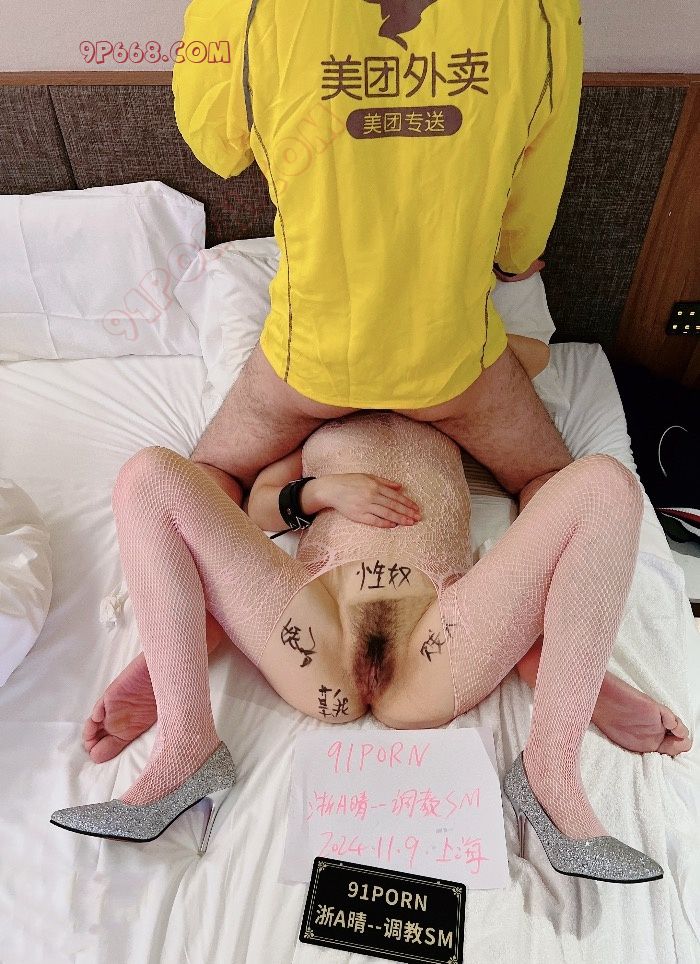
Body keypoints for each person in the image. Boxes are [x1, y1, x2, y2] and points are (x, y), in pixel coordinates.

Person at [50, 406, 690, 881]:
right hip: (319, 628)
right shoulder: (309, 416)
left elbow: (529, 368)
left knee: (606, 483)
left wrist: (454, 353)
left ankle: (551, 765)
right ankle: (186, 740)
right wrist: (322, 490)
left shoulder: (458, 398)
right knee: (148, 475)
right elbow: (255, 511)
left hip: (436, 640)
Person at [167, 0, 584, 518]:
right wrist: (513, 258)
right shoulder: (541, 9)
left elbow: (214, 142)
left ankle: (222, 570)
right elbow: (540, 172)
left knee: (207, 478)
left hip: (313, 360)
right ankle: (517, 573)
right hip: (446, 360)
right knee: (558, 484)